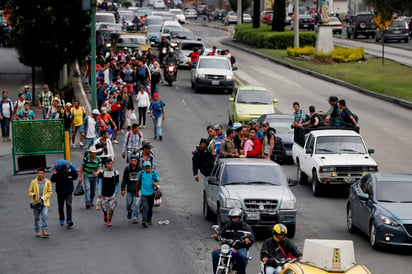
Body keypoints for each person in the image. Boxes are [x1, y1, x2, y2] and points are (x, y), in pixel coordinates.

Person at [212, 208, 254, 274]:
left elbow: (251, 237)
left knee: (242, 256)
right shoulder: (227, 226)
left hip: (240, 247)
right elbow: (221, 234)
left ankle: (241, 272)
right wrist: (217, 236)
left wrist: (247, 239)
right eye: (232, 218)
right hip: (228, 247)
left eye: (235, 217)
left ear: (240, 217)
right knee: (215, 253)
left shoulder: (246, 227)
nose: (233, 219)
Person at [50, 160, 78, 228]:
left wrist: (76, 173)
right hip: (60, 191)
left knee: (68, 204)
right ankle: (62, 218)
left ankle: (69, 220)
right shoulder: (58, 171)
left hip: (68, 191)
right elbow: (53, 180)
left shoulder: (71, 171)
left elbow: (74, 178)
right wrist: (54, 174)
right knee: (61, 206)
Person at [28, 168, 53, 238]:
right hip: (36, 203)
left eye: (41, 173)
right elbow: (29, 192)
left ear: (44, 174)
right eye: (39, 173)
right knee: (36, 218)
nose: (40, 174)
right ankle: (37, 231)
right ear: (37, 174)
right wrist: (33, 194)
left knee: (44, 216)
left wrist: (43, 198)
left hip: (44, 202)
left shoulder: (48, 182)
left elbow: (50, 192)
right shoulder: (33, 182)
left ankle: (44, 230)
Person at [136, 161, 159, 227]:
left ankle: (149, 219)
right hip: (144, 193)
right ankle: (144, 219)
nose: (147, 169)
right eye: (146, 167)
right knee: (144, 207)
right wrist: (137, 191)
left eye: (148, 167)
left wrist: (156, 183)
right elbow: (138, 182)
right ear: (144, 167)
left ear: (151, 167)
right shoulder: (141, 173)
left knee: (150, 207)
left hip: (151, 193)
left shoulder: (154, 173)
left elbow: (157, 180)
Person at [98, 158, 120, 227]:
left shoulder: (115, 173)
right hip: (104, 193)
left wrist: (115, 192)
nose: (109, 165)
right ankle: (105, 214)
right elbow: (100, 182)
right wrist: (99, 192)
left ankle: (109, 220)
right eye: (107, 164)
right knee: (104, 207)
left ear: (112, 163)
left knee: (111, 207)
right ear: (105, 165)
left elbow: (117, 183)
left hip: (112, 193)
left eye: (110, 164)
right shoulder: (102, 172)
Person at [121, 154, 142, 223]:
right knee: (128, 204)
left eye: (135, 161)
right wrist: (123, 189)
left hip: (138, 189)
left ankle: (135, 217)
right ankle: (129, 211)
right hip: (130, 190)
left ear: (137, 161)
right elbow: (124, 179)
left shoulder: (140, 169)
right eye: (132, 161)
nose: (133, 162)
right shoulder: (127, 169)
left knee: (137, 203)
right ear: (130, 161)